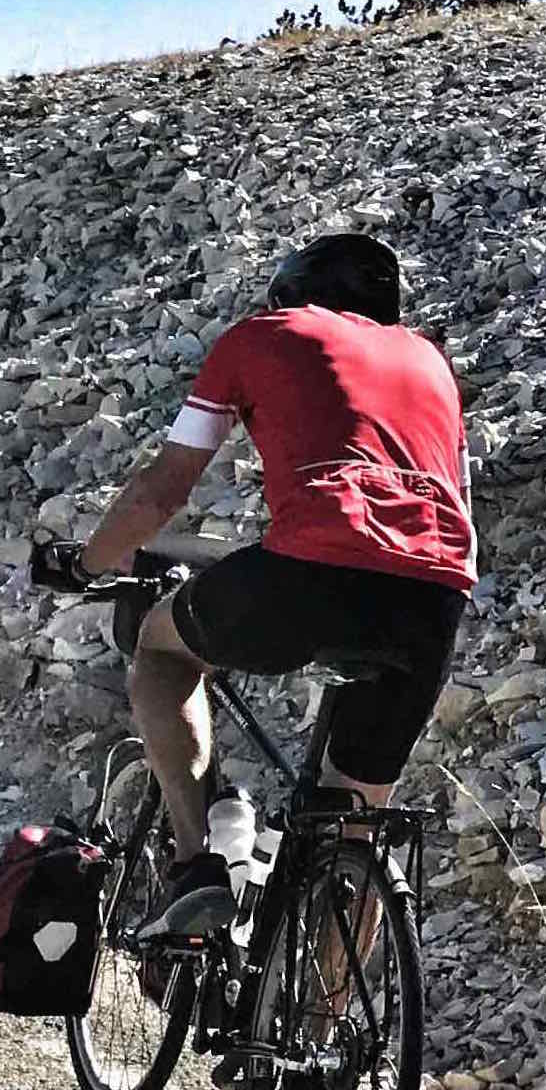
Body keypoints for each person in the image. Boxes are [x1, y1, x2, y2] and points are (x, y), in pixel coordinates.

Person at [69, 233, 477, 937]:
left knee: (162, 651)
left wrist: (86, 564)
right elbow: (456, 501)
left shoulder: (262, 334)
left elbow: (161, 492)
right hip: (434, 593)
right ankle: (332, 1039)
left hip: (309, 567)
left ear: (289, 294)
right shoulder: (433, 365)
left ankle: (197, 868)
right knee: (357, 826)